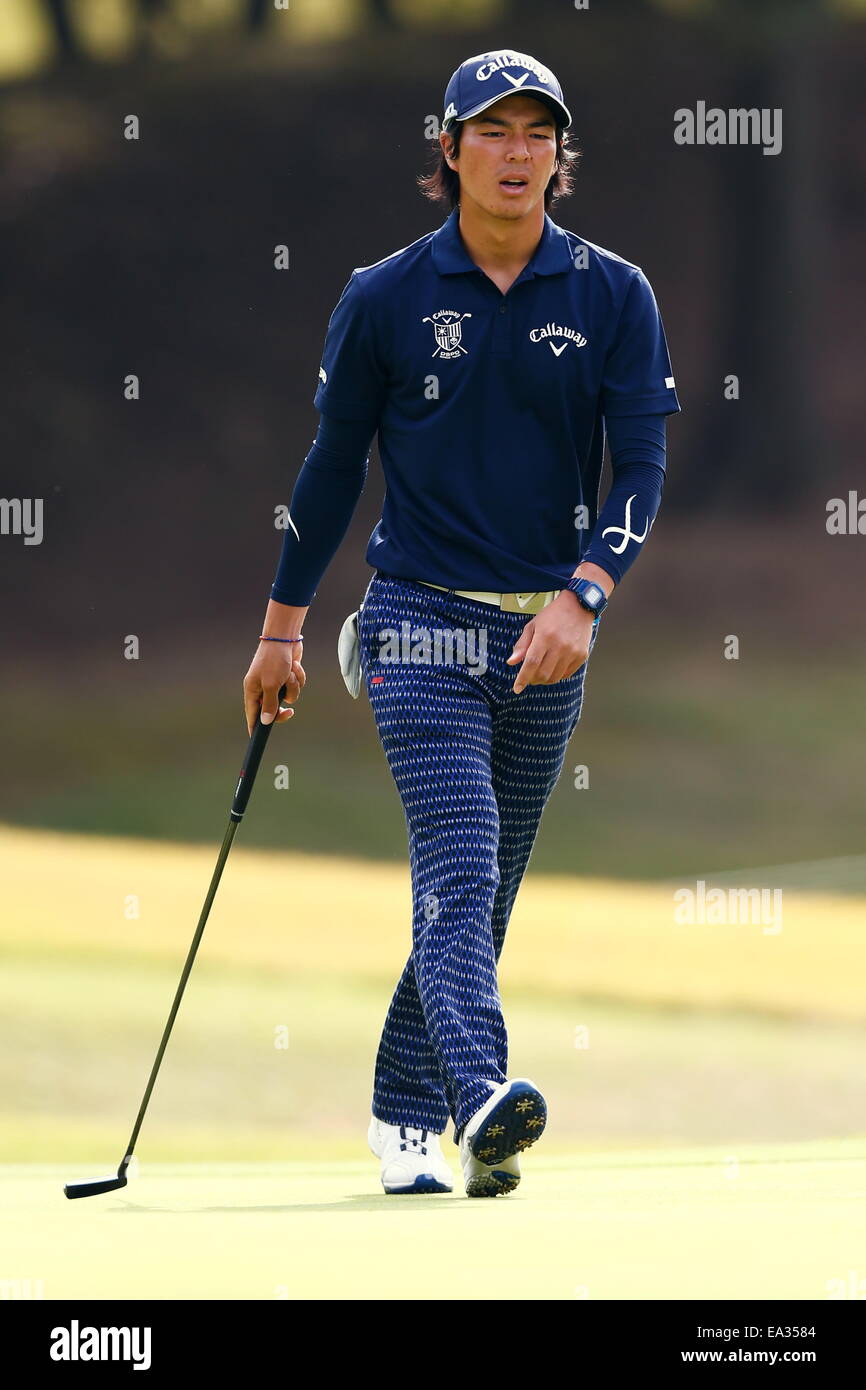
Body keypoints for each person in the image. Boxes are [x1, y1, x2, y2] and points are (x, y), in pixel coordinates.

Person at [243, 49, 681, 1198]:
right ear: (448, 149)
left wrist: (585, 593)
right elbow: (332, 470)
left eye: (537, 133)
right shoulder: (383, 295)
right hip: (414, 627)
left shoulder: (611, 293)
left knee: (479, 896)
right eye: (492, 131)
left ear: (557, 157)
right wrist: (282, 628)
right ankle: (481, 1096)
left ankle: (400, 1116)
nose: (516, 152)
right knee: (458, 855)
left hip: (545, 637)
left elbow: (640, 465)